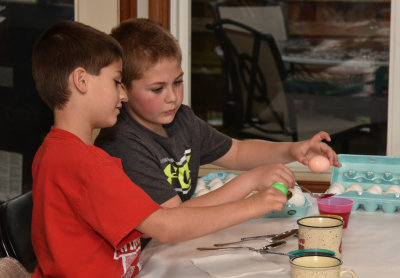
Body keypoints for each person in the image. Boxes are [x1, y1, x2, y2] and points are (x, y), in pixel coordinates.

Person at [31, 20, 293, 278]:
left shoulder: (55, 153)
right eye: (116, 82)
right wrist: (254, 205)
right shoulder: (88, 165)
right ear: (82, 81)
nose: (123, 95)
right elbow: (165, 226)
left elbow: (145, 226)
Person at [95, 18, 341, 208]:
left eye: (178, 82)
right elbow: (171, 218)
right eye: (157, 89)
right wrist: (250, 182)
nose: (172, 97)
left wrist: (292, 151)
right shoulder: (123, 143)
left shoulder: (182, 120)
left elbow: (237, 151)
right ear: (124, 89)